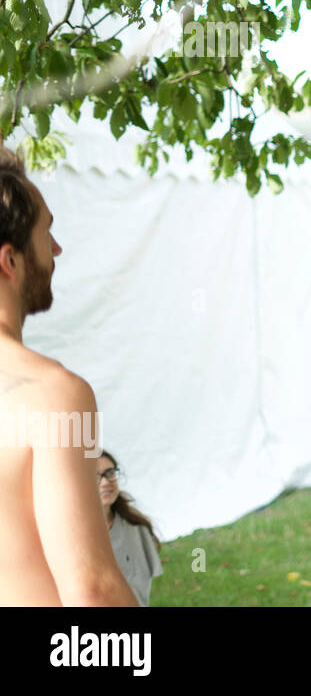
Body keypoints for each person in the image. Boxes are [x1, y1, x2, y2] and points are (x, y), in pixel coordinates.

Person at [0, 147, 137, 606]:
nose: (57, 249)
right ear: (10, 262)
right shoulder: (57, 396)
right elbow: (91, 589)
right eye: (47, 232)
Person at [99, 451, 164, 606]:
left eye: (110, 473)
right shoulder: (65, 536)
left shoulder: (135, 528)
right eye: (94, 475)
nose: (105, 482)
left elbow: (141, 591)